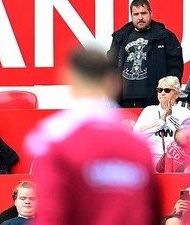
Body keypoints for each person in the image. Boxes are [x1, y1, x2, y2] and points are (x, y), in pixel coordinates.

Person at [25, 48, 159, 224]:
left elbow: (52, 214)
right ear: (115, 83)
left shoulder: (53, 137)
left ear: (69, 78)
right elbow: (151, 212)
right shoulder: (137, 143)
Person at [107, 0, 184, 109]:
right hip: (122, 100)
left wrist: (169, 93)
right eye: (136, 14)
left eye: (144, 13)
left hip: (154, 100)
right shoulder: (120, 37)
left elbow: (175, 68)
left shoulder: (165, 36)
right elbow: (110, 66)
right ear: (131, 16)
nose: (140, 18)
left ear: (150, 13)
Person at [133, 76, 190, 166]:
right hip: (151, 158)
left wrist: (170, 118)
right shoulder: (149, 110)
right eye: (160, 90)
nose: (162, 93)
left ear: (176, 94)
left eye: (167, 90)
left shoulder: (184, 112)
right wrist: (160, 123)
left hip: (176, 160)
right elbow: (137, 135)